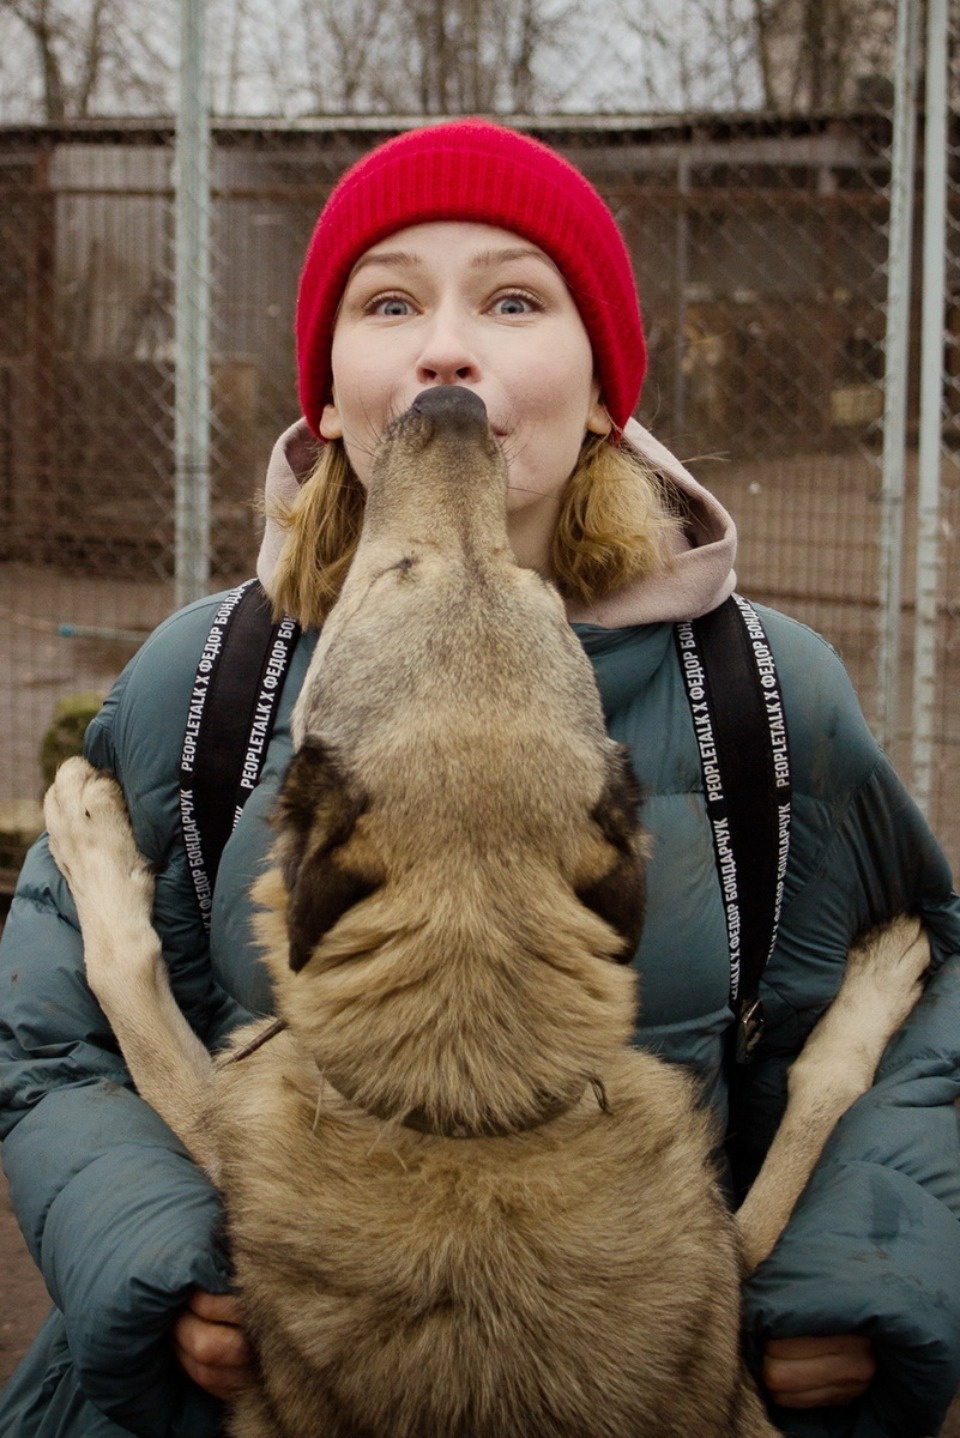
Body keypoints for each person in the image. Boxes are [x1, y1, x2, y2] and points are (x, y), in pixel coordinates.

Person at [1, 118, 960, 1438]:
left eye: (514, 298)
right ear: (327, 396)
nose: (449, 352)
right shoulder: (201, 680)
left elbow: (935, 997)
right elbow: (47, 1043)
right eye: (391, 301)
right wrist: (155, 1256)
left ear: (611, 389)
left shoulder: (772, 700)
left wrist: (862, 1259)